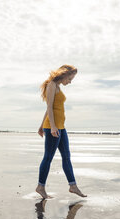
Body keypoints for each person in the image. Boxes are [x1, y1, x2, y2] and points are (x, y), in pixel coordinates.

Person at [36, 64, 87, 199]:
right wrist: (51, 127)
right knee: (48, 157)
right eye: (70, 78)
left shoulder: (57, 86)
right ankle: (40, 187)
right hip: (54, 127)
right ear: (64, 74)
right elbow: (49, 107)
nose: (70, 82)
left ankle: (73, 186)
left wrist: (41, 126)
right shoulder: (52, 84)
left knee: (66, 156)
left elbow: (49, 108)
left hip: (60, 127)